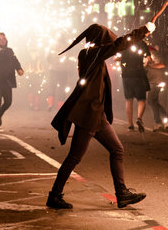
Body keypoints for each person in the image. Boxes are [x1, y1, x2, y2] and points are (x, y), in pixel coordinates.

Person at [47, 22, 156, 210]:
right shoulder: (93, 54)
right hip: (90, 115)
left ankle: (121, 193)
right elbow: (120, 43)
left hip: (97, 115)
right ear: (100, 39)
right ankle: (55, 195)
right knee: (75, 157)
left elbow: (116, 46)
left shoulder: (91, 54)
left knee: (116, 150)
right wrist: (144, 30)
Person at [0, 32, 24, 134]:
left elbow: (15, 61)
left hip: (7, 81)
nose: (2, 40)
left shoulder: (9, 51)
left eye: (4, 38)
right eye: (0, 39)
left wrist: (19, 69)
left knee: (8, 102)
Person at [118, 39, 151, 132]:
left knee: (129, 100)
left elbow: (118, 58)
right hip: (138, 74)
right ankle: (139, 118)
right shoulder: (142, 43)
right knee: (142, 100)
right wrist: (145, 63)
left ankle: (130, 125)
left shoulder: (125, 43)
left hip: (126, 75)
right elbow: (149, 58)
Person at [146, 45, 168, 131]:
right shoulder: (145, 55)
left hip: (157, 81)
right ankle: (167, 120)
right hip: (153, 81)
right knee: (154, 102)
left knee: (151, 101)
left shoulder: (153, 53)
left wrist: (150, 64)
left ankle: (158, 122)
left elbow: (162, 64)